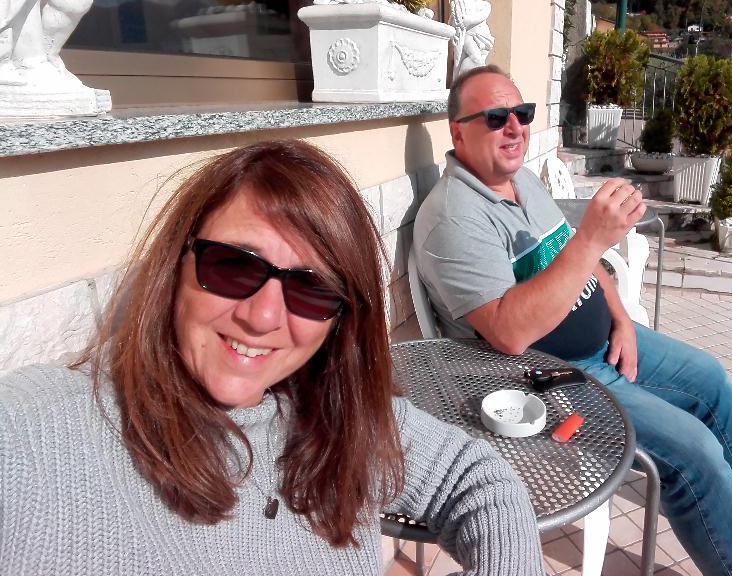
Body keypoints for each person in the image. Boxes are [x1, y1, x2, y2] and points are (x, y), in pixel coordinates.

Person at [0, 140, 544, 575]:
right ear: (177, 263)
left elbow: (476, 479)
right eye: (234, 266)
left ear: (340, 320)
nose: (262, 317)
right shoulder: (38, 438)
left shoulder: (335, 415)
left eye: (312, 289)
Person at [413, 65, 732, 576]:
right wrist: (592, 238)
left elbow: (581, 261)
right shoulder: (455, 218)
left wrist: (621, 317)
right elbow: (509, 333)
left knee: (710, 378)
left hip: (604, 341)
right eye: (497, 117)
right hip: (550, 377)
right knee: (697, 456)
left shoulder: (520, 182)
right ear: (458, 132)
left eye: (522, 112)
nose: (515, 127)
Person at [449, 0, 494, 82]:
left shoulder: (485, 5)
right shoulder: (460, 3)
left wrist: (469, 20)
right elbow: (452, 22)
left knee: (479, 60)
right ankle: (464, 79)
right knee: (476, 59)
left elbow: (482, 15)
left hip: (482, 38)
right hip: (467, 36)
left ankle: (468, 79)